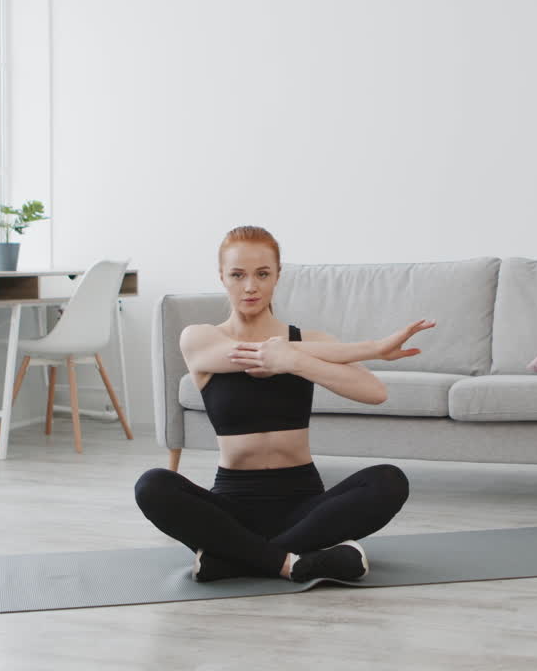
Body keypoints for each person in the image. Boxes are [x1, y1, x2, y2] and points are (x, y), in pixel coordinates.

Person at [134, 225, 436, 583]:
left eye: (262, 274)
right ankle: (294, 562)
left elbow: (375, 392)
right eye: (238, 275)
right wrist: (372, 348)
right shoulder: (200, 338)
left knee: (388, 481)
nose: (250, 286)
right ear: (222, 277)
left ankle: (236, 559)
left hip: (305, 506)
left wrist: (294, 361)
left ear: (278, 276)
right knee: (152, 485)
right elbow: (257, 354)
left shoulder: (310, 342)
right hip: (232, 506)